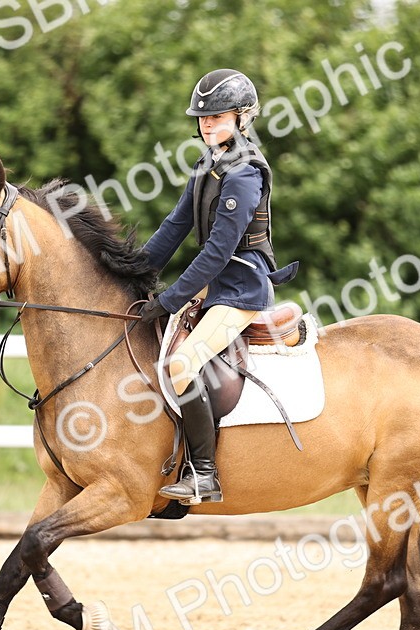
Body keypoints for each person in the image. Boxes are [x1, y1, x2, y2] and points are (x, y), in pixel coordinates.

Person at [136, 68, 293, 505]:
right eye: (203, 119)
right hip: (215, 283)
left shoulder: (244, 175)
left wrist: (170, 299)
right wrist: (135, 274)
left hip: (241, 289)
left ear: (242, 118)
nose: (207, 125)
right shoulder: (209, 164)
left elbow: (217, 253)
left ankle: (205, 474)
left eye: (218, 117)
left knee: (182, 364)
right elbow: (175, 227)